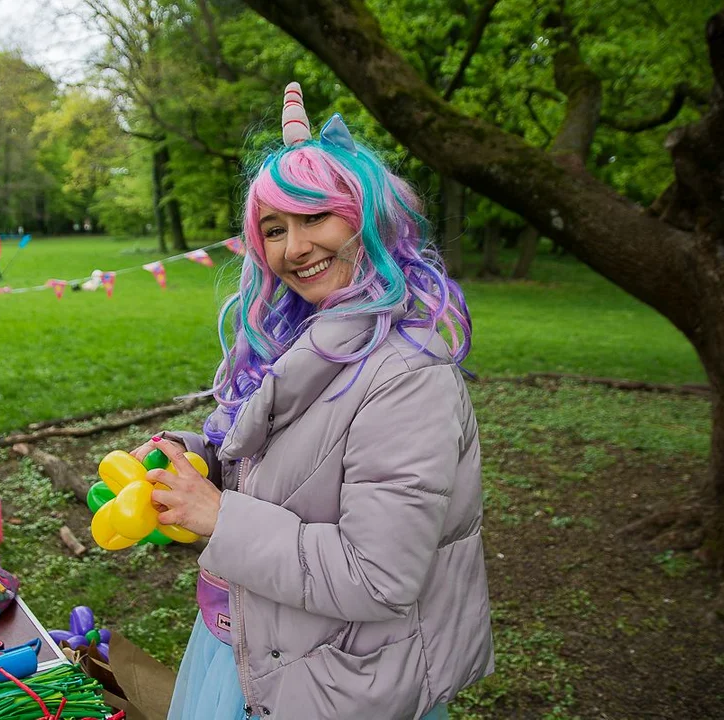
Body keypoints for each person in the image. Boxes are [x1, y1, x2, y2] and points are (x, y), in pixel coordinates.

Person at [129, 83, 493, 720]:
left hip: (341, 683)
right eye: (274, 229)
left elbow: (378, 575)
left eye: (315, 218)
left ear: (368, 220)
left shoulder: (408, 376)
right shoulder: (294, 338)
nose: (293, 248)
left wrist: (217, 517)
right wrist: (194, 460)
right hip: (254, 646)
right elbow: (274, 461)